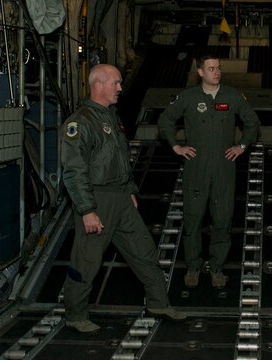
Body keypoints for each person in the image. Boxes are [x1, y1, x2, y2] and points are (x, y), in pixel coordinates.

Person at [61, 63, 187, 332]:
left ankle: (158, 302)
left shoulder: (112, 116)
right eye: (115, 83)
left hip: (121, 198)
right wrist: (86, 210)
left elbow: (120, 159)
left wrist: (129, 189)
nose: (120, 88)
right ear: (98, 85)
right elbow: (73, 170)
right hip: (98, 199)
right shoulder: (79, 122)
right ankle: (75, 314)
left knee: (144, 251)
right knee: (87, 260)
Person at [158, 55, 260, 289]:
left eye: (219, 68)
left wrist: (241, 146)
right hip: (196, 169)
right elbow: (165, 120)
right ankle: (193, 268)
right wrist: (176, 146)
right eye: (211, 69)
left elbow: (252, 122)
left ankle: (217, 269)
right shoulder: (189, 97)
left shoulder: (232, 96)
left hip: (224, 169)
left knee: (222, 221)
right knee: (193, 220)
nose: (217, 72)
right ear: (201, 72)